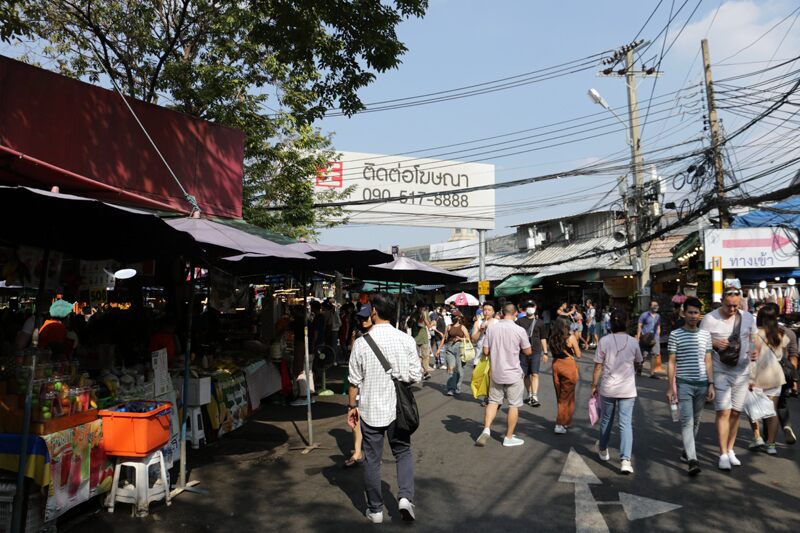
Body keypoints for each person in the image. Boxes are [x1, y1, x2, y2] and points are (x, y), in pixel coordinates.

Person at [347, 294, 421, 523]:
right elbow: (416, 375)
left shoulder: (361, 342)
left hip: (371, 408)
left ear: (375, 313)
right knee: (403, 452)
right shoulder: (406, 339)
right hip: (400, 409)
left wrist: (352, 407)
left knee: (372, 459)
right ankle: (405, 498)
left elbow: (353, 381)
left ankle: (376, 510)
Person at [700, 278, 758, 471]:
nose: (732, 309)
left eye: (735, 306)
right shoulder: (710, 318)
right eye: (728, 306)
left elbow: (752, 338)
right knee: (723, 411)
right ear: (722, 300)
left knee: (736, 412)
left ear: (740, 301)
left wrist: (753, 350)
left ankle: (731, 449)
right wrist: (715, 344)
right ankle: (723, 453)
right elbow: (701, 344)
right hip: (720, 370)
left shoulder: (748, 318)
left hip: (742, 371)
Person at [666, 297, 715, 476]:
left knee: (696, 421)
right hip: (684, 383)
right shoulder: (675, 335)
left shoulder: (705, 335)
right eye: (690, 312)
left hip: (702, 384)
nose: (694, 316)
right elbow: (671, 362)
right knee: (687, 421)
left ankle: (687, 450)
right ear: (683, 313)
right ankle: (693, 460)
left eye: (696, 313)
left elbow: (708, 360)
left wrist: (711, 384)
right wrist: (670, 387)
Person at [591, 309, 642, 475]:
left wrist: (594, 385)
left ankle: (603, 449)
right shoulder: (633, 342)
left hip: (608, 388)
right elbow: (638, 361)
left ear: (611, 323)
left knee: (606, 420)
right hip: (627, 389)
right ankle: (625, 460)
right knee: (625, 423)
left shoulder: (604, 341)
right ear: (627, 323)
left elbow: (598, 365)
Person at [475, 302, 531, 447]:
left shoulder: (492, 329)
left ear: (501, 313)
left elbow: (486, 351)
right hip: (513, 373)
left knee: (493, 402)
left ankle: (486, 429)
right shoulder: (519, 330)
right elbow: (528, 351)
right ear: (515, 314)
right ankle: (509, 437)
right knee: (513, 405)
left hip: (496, 372)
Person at [751, 303, 790, 455]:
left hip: (756, 377)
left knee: (752, 409)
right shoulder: (781, 334)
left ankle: (757, 437)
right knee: (771, 411)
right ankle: (771, 445)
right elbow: (782, 356)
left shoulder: (754, 334)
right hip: (775, 376)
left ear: (760, 318)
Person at [344, 304, 373, 468]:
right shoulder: (357, 335)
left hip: (373, 385)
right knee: (356, 419)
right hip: (358, 381)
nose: (363, 320)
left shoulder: (379, 336)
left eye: (366, 317)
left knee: (371, 422)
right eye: (361, 317)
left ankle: (371, 451)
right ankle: (357, 451)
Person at [549, 318, 581, 434]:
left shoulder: (552, 338)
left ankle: (566, 420)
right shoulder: (570, 338)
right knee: (566, 396)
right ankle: (559, 423)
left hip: (556, 364)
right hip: (568, 366)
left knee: (561, 394)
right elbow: (578, 354)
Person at [515, 300, 548, 407]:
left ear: (535, 307)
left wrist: (546, 352)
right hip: (522, 351)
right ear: (525, 308)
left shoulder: (540, 322)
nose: (530, 308)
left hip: (536, 351)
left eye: (531, 306)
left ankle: (534, 396)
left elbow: (543, 338)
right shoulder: (519, 321)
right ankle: (529, 394)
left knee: (535, 373)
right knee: (525, 375)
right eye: (528, 306)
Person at [471, 302, 499, 407]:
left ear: (493, 312)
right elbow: (473, 339)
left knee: (491, 377)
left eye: (489, 310)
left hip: (493, 355)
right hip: (480, 356)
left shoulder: (497, 323)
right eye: (485, 310)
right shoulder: (478, 322)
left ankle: (490, 397)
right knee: (480, 376)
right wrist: (480, 330)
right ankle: (486, 395)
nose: (486, 312)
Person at [443, 315, 470, 396]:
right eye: (453, 316)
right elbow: (444, 338)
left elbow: (468, 339)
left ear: (459, 318)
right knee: (451, 368)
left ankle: (457, 387)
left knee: (459, 370)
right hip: (449, 347)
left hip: (459, 348)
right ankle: (451, 388)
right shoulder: (448, 327)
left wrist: (460, 339)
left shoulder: (462, 327)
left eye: (455, 316)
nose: (454, 318)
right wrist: (438, 349)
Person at [637, 299, 663, 378]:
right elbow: (639, 326)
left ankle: (652, 373)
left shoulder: (658, 316)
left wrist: (658, 336)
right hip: (645, 338)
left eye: (657, 305)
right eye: (654, 305)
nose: (656, 307)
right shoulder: (644, 315)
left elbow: (658, 326)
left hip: (654, 338)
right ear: (650, 306)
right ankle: (639, 368)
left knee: (654, 355)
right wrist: (638, 337)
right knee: (643, 355)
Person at [409, 308, 432, 380]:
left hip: (424, 338)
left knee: (425, 356)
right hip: (415, 338)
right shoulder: (413, 315)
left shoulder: (425, 314)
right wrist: (412, 320)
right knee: (415, 356)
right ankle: (416, 371)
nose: (421, 309)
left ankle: (425, 372)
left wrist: (424, 318)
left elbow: (429, 325)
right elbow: (409, 325)